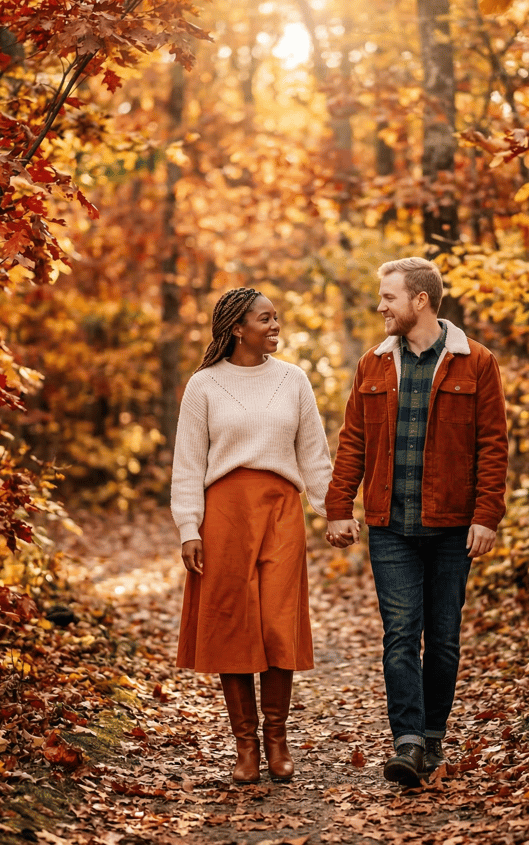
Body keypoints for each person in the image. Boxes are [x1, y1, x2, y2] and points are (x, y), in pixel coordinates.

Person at [325, 257, 508, 787]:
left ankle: (431, 735)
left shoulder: (476, 362)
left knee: (445, 639)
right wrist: (340, 507)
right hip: (391, 526)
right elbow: (353, 440)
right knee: (401, 635)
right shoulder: (374, 364)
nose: (380, 305)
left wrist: (486, 515)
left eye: (388, 296)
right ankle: (406, 741)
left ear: (420, 300)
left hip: (453, 527)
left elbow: (492, 446)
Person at [171, 286, 332, 784]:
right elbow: (188, 462)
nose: (275, 326)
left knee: (278, 622)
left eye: (276, 318)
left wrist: (333, 511)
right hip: (224, 514)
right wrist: (188, 528)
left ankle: (277, 739)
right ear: (237, 329)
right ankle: (246, 747)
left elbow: (313, 452)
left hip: (282, 510)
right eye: (266, 319)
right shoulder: (204, 385)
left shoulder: (294, 380)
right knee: (234, 625)